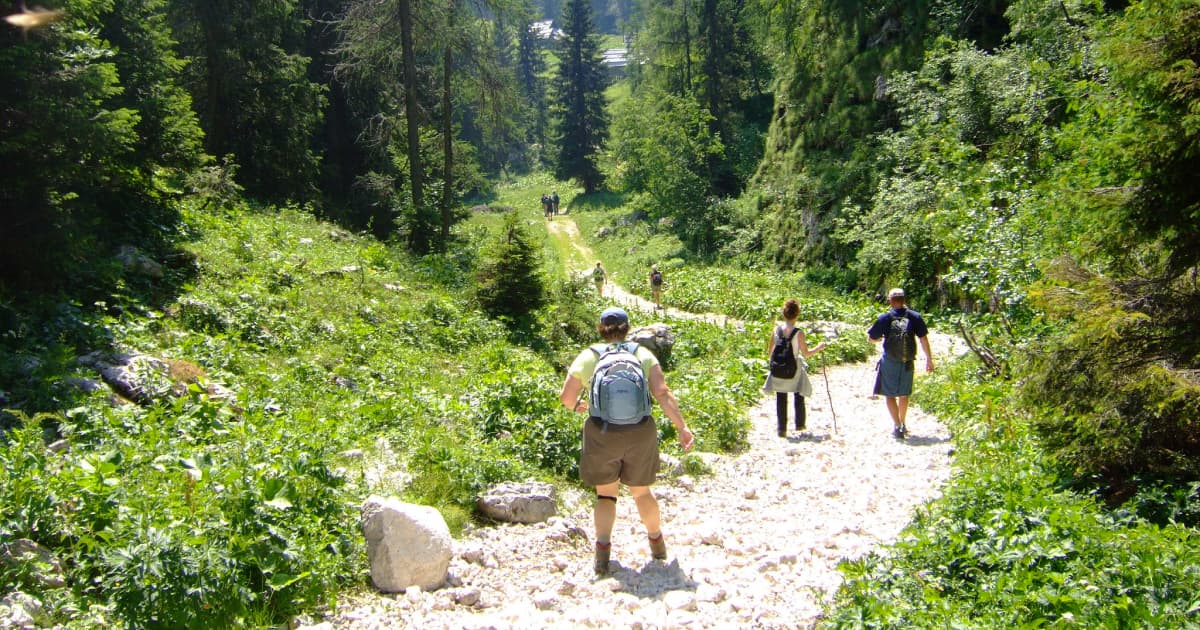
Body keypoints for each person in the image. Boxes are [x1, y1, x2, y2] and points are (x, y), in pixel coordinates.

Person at [559, 307, 694, 576]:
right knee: (641, 492)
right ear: (627, 328)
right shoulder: (641, 354)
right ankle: (657, 545)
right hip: (640, 431)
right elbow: (662, 392)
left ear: (601, 328)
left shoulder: (590, 356)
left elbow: (566, 397)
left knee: (606, 495)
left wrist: (578, 407)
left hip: (602, 432)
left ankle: (602, 554)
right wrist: (682, 427)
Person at [866, 287, 934, 439]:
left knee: (889, 395)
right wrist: (929, 359)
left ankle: (897, 425)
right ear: (904, 300)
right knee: (904, 394)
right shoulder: (915, 317)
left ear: (890, 301)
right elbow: (923, 339)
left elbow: (871, 338)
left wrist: (879, 339)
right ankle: (903, 423)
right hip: (907, 360)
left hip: (890, 360)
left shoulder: (885, 318)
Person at [763, 298, 827, 437]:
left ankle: (782, 429)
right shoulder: (799, 333)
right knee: (799, 391)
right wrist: (819, 347)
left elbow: (770, 352)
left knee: (781, 397)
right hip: (793, 368)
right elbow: (806, 353)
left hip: (778, 369)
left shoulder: (776, 330)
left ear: (783, 313)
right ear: (797, 314)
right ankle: (799, 424)